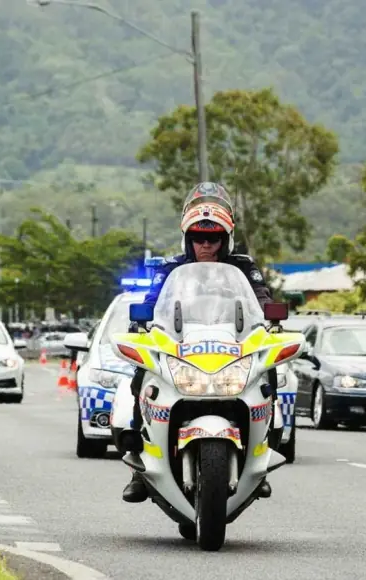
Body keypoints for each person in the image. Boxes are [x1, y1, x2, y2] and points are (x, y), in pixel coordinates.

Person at [121, 181, 275, 504]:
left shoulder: (244, 267)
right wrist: (142, 319)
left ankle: (261, 455)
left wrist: (269, 317)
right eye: (199, 238)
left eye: (213, 238)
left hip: (234, 347)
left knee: (269, 375)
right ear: (188, 239)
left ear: (225, 240)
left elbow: (262, 303)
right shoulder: (170, 268)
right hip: (182, 346)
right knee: (142, 376)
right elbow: (151, 304)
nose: (206, 245)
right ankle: (139, 463)